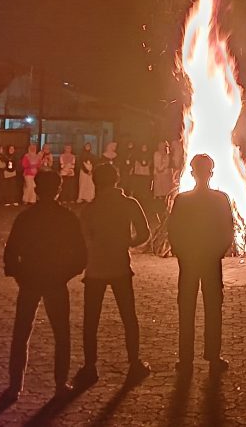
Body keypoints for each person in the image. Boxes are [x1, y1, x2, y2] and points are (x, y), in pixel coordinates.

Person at [2, 170, 87, 401]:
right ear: (58, 189)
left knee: (21, 333)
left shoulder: (26, 217)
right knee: (61, 333)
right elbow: (81, 254)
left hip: (30, 279)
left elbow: (11, 252)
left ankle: (15, 386)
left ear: (37, 189)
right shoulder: (67, 217)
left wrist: (19, 274)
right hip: (55, 281)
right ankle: (60, 384)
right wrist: (65, 274)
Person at [73, 164, 152, 388]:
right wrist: (128, 244)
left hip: (95, 269)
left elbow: (82, 238)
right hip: (120, 267)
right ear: (116, 180)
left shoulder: (90, 209)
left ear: (96, 182)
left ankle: (90, 366)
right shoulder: (128, 203)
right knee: (129, 316)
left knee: (91, 320)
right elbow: (144, 233)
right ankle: (134, 362)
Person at [168, 154, 234, 373]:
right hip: (210, 261)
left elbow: (173, 231)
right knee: (213, 308)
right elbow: (227, 230)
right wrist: (217, 253)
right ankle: (213, 356)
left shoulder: (182, 200)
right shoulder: (221, 199)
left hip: (189, 262)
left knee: (186, 309)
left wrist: (182, 254)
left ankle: (185, 359)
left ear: (192, 172)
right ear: (211, 173)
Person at [152, 141, 176, 216]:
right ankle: (158, 210)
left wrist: (162, 169)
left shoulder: (167, 156)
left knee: (165, 192)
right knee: (158, 192)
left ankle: (165, 209)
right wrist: (158, 169)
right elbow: (156, 163)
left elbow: (166, 164)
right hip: (158, 175)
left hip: (165, 175)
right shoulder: (156, 154)